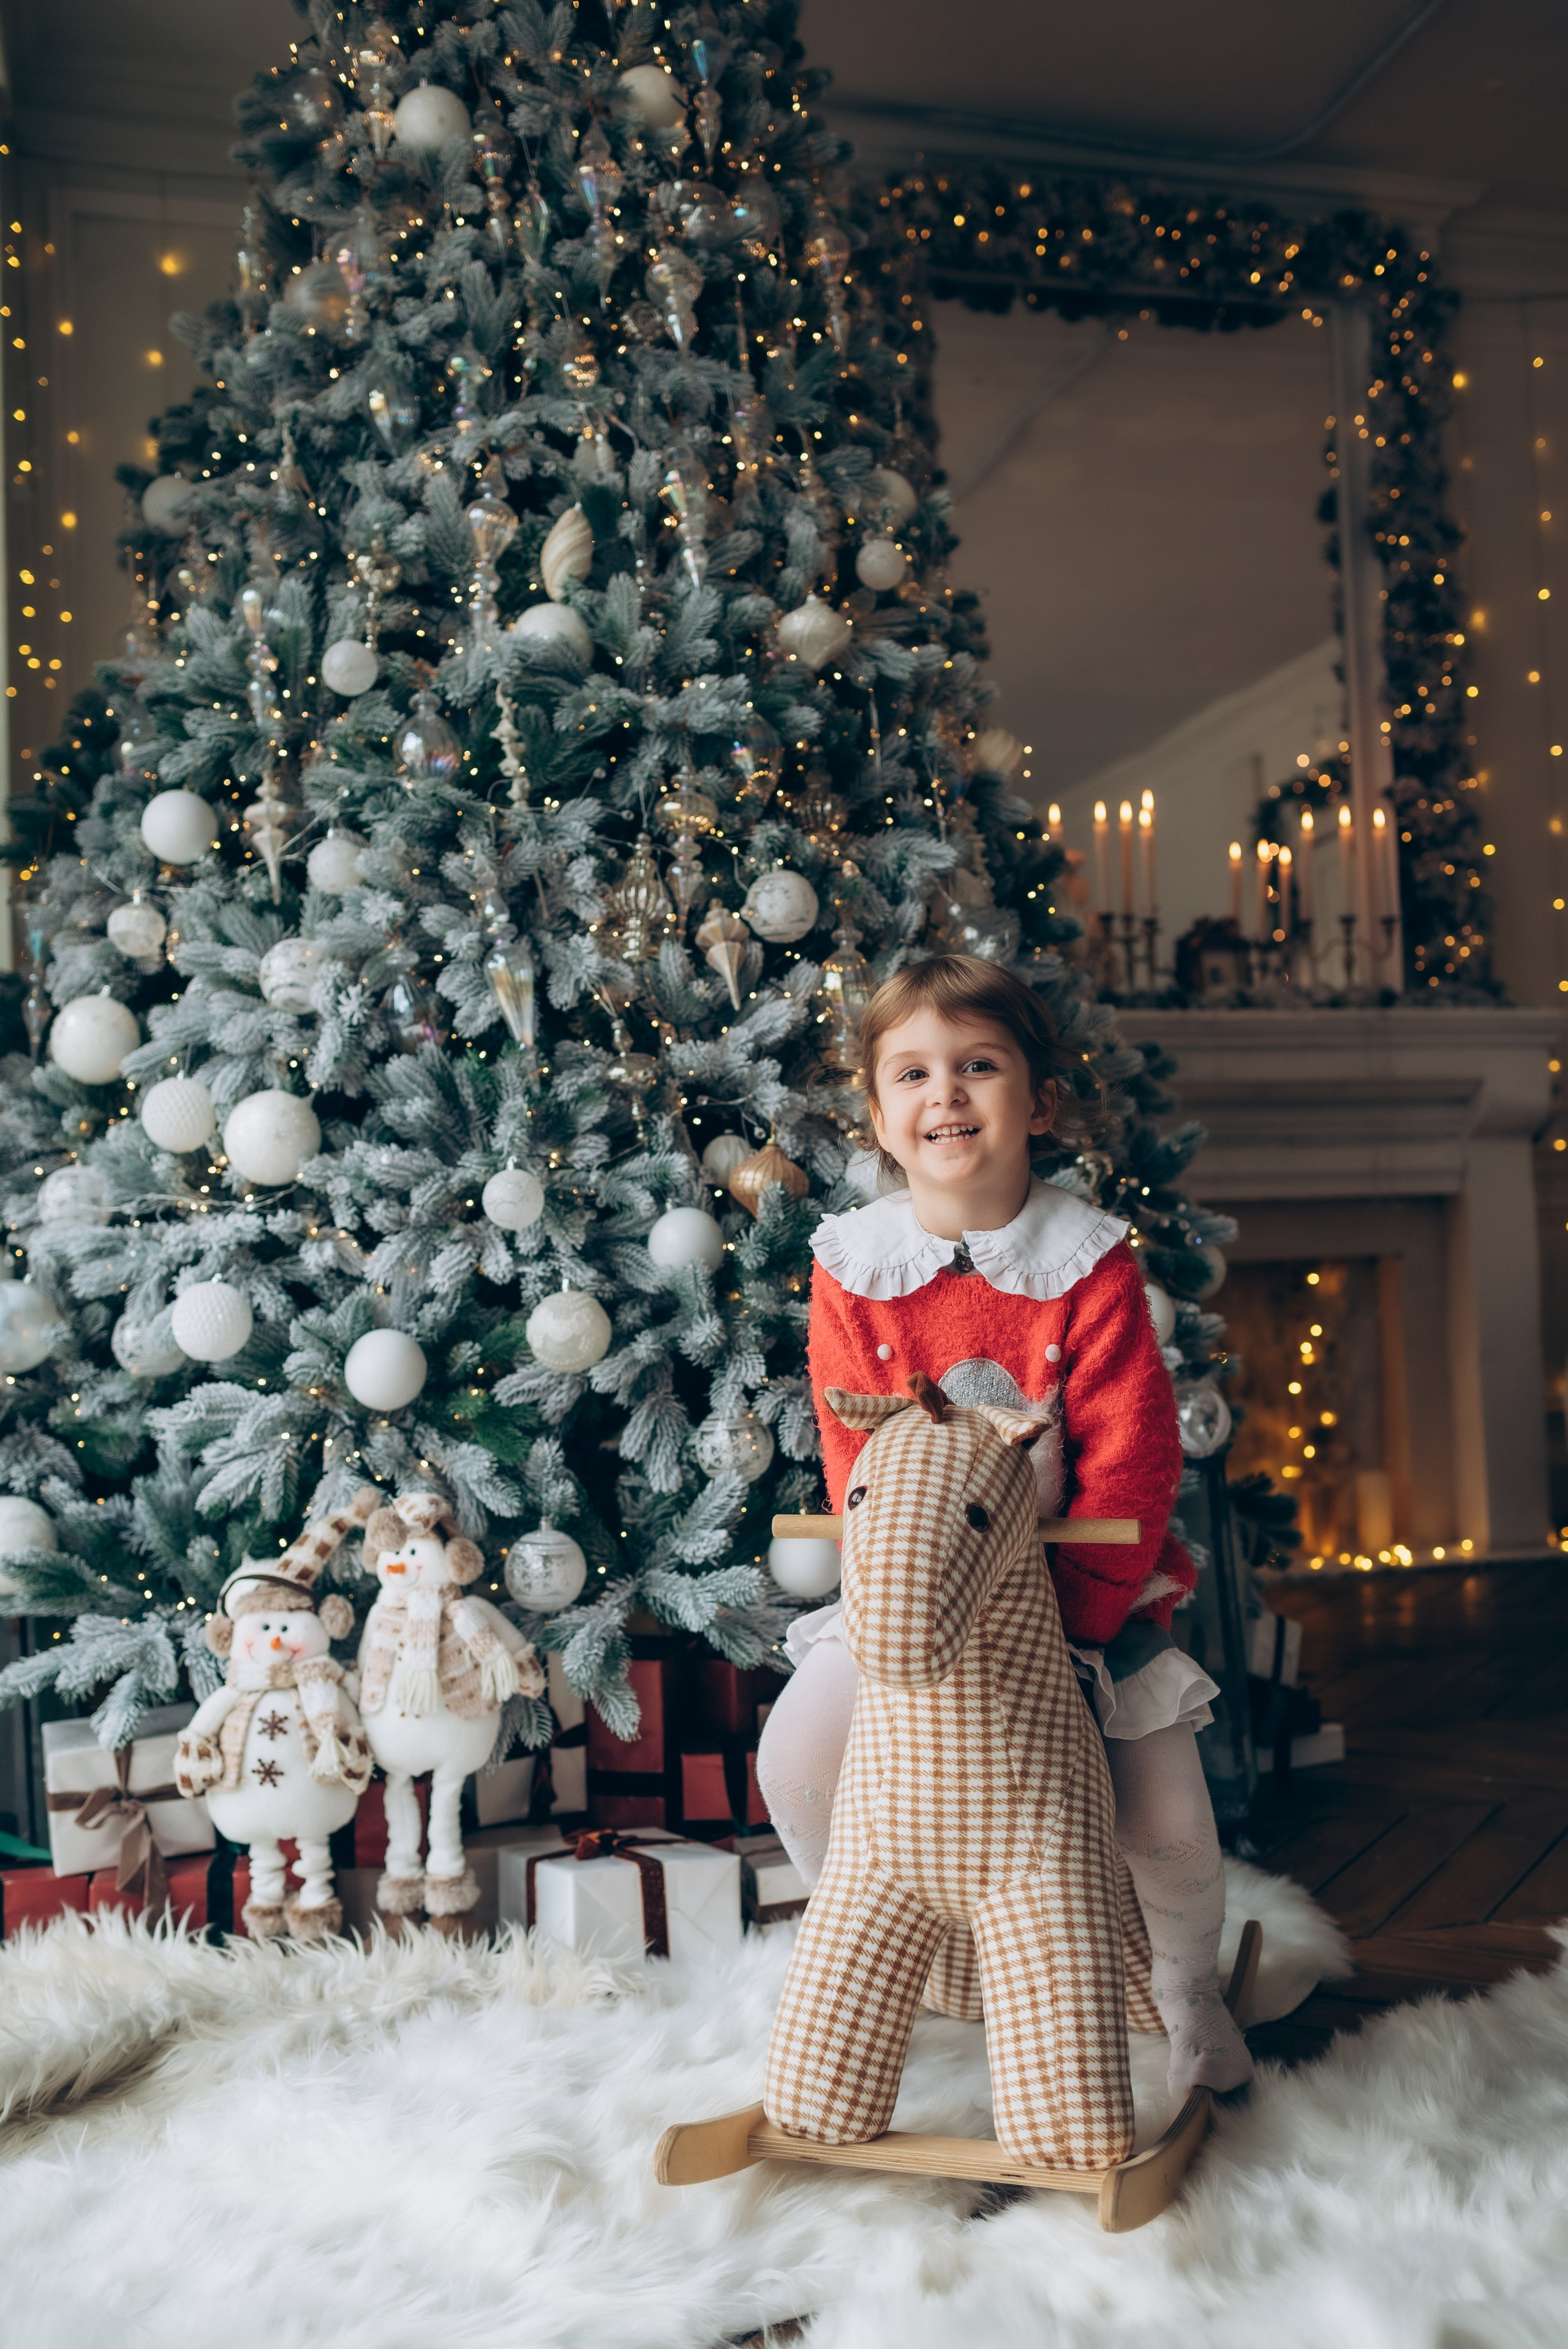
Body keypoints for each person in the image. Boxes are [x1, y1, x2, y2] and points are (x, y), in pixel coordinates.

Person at [756, 953, 1253, 2095]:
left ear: (1038, 1098)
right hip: (916, 1597)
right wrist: (891, 1598)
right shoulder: (854, 1266)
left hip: (1081, 1598)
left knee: (1168, 1815)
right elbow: (853, 1446)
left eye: (978, 1067)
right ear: (878, 1114)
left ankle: (1186, 1989)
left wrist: (1077, 1621)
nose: (948, 1097)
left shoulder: (1089, 1262)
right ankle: (892, 1946)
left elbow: (1133, 1453)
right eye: (915, 1074)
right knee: (796, 1761)